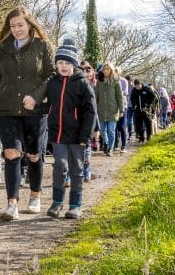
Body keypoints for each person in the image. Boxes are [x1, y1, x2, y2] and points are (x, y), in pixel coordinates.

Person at [0, 6, 54, 221]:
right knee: (11, 153)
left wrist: (36, 97)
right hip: (6, 109)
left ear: (30, 25)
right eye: (13, 26)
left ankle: (35, 196)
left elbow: (51, 76)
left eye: (20, 25)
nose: (17, 29)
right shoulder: (3, 48)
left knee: (34, 155)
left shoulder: (42, 46)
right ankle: (12, 204)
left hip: (35, 112)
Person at [45, 39, 97, 219]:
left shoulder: (83, 83)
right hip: (58, 133)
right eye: (60, 62)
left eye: (67, 63)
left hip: (77, 135)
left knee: (76, 169)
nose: (64, 66)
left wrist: (86, 136)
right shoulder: (52, 82)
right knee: (60, 165)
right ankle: (57, 202)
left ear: (74, 65)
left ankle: (75, 205)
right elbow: (47, 105)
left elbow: (91, 111)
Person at [95, 63, 124, 156]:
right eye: (104, 69)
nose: (106, 71)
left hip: (113, 110)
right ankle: (106, 143)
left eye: (108, 69)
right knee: (102, 131)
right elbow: (96, 96)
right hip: (101, 110)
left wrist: (121, 110)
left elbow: (120, 96)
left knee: (111, 130)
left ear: (111, 70)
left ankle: (110, 148)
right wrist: (94, 107)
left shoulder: (116, 81)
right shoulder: (99, 81)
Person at [79, 61, 100, 182]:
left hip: (90, 119)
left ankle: (86, 174)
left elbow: (94, 110)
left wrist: (96, 128)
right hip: (77, 120)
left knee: (86, 151)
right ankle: (72, 176)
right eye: (83, 69)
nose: (86, 72)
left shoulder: (95, 86)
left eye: (88, 69)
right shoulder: (75, 84)